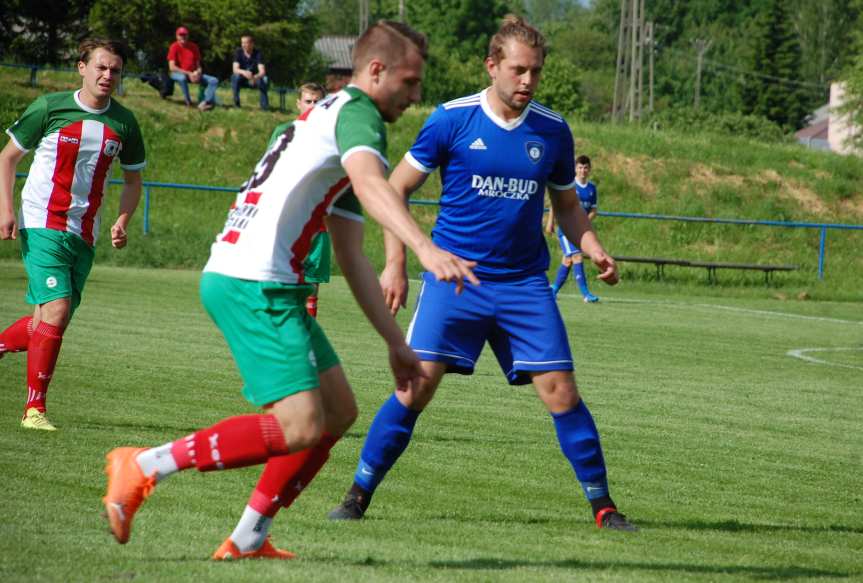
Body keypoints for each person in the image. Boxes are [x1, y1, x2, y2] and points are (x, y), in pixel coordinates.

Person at [101, 21, 479, 559]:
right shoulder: (359, 115)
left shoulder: (325, 118)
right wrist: (425, 248)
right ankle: (141, 465)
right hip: (255, 281)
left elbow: (349, 251)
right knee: (300, 424)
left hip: (256, 277)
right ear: (376, 71)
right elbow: (375, 186)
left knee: (338, 411)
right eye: (411, 82)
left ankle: (250, 536)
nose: (417, 96)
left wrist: (396, 341)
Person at [328, 15, 637, 532]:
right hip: (456, 281)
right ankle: (357, 495)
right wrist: (397, 263)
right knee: (415, 388)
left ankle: (604, 507)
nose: (528, 81)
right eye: (518, 70)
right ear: (492, 66)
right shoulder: (451, 120)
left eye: (536, 72)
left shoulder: (553, 129)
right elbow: (394, 189)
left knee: (561, 391)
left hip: (523, 285)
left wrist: (594, 246)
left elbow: (565, 204)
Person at [0, 38, 146, 431]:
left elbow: (133, 181)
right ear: (81, 67)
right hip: (41, 221)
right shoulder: (50, 108)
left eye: (115, 69)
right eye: (100, 67)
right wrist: (6, 209)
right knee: (58, 310)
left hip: (85, 230)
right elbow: (7, 158)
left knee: (46, 321)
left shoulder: (125, 123)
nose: (107, 75)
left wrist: (122, 220)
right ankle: (35, 410)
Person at [268, 82, 327, 316]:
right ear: (298, 104)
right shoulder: (284, 132)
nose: (312, 106)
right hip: (288, 222)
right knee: (282, 282)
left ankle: (307, 341)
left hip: (319, 225)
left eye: (317, 102)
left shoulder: (332, 137)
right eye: (308, 101)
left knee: (311, 286)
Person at [546, 154, 600, 302]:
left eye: (586, 168)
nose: (583, 170)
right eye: (580, 167)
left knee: (568, 260)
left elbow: (594, 210)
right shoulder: (569, 185)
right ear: (575, 169)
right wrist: (550, 222)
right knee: (577, 256)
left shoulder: (592, 189)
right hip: (565, 229)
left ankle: (553, 289)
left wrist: (584, 222)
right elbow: (555, 204)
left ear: (589, 169)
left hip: (580, 231)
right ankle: (586, 294)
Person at [167, 26, 219, 111]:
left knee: (214, 80)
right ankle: (188, 101)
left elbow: (198, 65)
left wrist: (198, 73)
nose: (183, 37)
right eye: (181, 35)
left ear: (188, 36)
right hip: (177, 74)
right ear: (177, 36)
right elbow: (172, 67)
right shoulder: (174, 47)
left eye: (185, 35)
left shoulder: (194, 47)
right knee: (182, 78)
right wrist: (189, 73)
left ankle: (205, 102)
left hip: (193, 74)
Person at [231, 34, 269, 110]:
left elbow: (262, 71)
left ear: (252, 44)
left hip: (254, 78)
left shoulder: (258, 53)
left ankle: (264, 107)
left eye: (246, 43)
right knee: (235, 77)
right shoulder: (238, 52)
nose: (243, 45)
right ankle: (236, 104)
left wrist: (255, 77)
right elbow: (235, 69)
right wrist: (244, 72)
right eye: (242, 43)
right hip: (242, 78)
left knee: (264, 79)